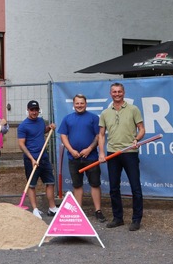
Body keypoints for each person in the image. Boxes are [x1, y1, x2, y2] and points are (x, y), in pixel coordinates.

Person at [99, 82, 146, 231]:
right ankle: (118, 218)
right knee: (113, 188)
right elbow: (101, 135)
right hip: (113, 153)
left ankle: (136, 219)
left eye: (119, 91)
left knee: (135, 187)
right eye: (114, 92)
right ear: (110, 93)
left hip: (129, 152)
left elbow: (142, 129)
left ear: (124, 93)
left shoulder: (133, 109)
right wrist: (101, 153)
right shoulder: (105, 113)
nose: (117, 94)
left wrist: (136, 140)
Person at [59, 94, 106, 222]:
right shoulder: (67, 119)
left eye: (82, 103)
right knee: (77, 185)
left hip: (91, 157)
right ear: (73, 104)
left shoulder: (94, 118)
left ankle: (98, 211)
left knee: (95, 184)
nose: (79, 105)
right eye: (77, 103)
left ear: (86, 104)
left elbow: (98, 136)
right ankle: (78, 211)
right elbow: (63, 136)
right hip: (74, 158)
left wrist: (90, 149)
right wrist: (71, 150)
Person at [17, 100, 59, 219]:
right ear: (28, 110)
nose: (34, 112)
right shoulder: (23, 126)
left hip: (43, 157)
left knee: (50, 182)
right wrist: (31, 158)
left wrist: (49, 127)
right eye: (32, 110)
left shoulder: (40, 121)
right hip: (31, 159)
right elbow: (21, 144)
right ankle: (35, 209)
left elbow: (42, 130)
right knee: (32, 185)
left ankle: (52, 208)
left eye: (36, 110)